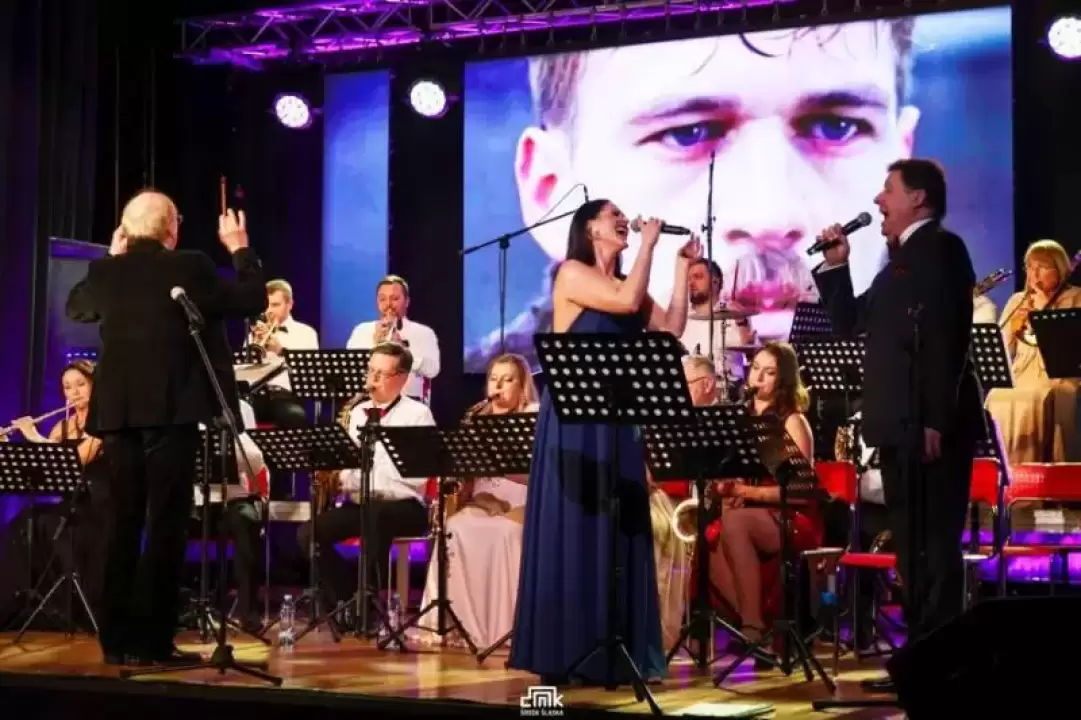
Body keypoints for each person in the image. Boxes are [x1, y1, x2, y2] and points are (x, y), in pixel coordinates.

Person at [467, 18, 929, 372]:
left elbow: (664, 323)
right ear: (551, 190)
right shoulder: (506, 382)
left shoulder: (940, 376)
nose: (771, 217)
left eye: (837, 127)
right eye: (686, 133)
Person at [65, 190, 265, 666]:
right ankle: (153, 642)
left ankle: (117, 642)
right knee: (165, 526)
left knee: (122, 524)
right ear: (172, 228)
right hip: (172, 413)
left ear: (126, 231)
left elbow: (77, 307)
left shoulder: (106, 272)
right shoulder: (190, 266)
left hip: (117, 417)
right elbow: (250, 298)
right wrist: (239, 248)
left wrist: (110, 258)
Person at [508, 199, 701, 686]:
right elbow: (626, 303)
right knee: (578, 527)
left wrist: (680, 270)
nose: (623, 219)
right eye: (612, 213)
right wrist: (650, 245)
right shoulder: (572, 273)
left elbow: (670, 329)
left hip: (618, 420)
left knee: (622, 530)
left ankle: (619, 651)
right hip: (576, 422)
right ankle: (570, 650)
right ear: (590, 228)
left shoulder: (626, 282)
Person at [812, 159, 982, 689]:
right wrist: (836, 267)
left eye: (888, 190)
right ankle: (921, 662)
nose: (878, 201)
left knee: (935, 547)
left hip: (928, 427)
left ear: (918, 198)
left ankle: (943, 666)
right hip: (895, 426)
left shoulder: (943, 250)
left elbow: (948, 338)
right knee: (910, 549)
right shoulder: (898, 263)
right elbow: (850, 321)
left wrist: (935, 417)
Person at [296, 342, 432, 633]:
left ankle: (369, 608)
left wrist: (361, 478)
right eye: (370, 371)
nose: (372, 380)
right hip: (362, 503)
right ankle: (349, 599)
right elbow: (347, 465)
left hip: (404, 506)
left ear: (402, 378)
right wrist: (339, 477)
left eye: (381, 374)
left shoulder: (417, 415)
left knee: (376, 517)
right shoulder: (357, 412)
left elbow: (417, 477)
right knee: (308, 534)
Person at [410, 353, 538, 649]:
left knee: (505, 534)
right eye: (494, 379)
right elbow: (470, 479)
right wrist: (477, 497)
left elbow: (540, 475)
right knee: (453, 529)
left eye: (508, 380)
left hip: (525, 503)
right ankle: (453, 626)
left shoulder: (534, 415)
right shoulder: (478, 417)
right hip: (484, 502)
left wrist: (512, 499)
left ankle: (503, 629)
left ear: (522, 386)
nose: (498, 386)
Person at [704, 343, 822, 647]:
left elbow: (800, 492)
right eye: (755, 368)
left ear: (783, 380)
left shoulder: (793, 421)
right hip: (752, 514)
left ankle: (753, 629)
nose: (758, 377)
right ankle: (760, 625)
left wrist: (746, 492)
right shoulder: (739, 417)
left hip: (792, 517)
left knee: (734, 523)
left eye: (769, 372)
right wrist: (724, 488)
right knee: (710, 540)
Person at [0, 361, 112, 623]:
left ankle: (79, 605)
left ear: (95, 386)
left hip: (101, 507)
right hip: (72, 504)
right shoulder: (62, 426)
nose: (74, 392)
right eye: (67, 387)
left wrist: (34, 436)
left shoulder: (104, 423)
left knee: (53, 524)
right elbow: (45, 466)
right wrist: (7, 445)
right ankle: (25, 602)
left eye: (81, 385)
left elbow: (77, 458)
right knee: (25, 521)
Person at [986, 239, 1081, 463]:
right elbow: (1001, 349)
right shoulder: (1017, 300)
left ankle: (1048, 471)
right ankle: (1007, 471)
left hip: (1060, 374)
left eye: (1042, 267)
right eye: (1029, 267)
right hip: (1022, 372)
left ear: (1059, 269)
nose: (1033, 274)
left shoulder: (1076, 297)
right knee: (996, 396)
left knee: (1046, 394)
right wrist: (1013, 329)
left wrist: (1042, 313)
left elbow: (1069, 348)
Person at [346, 276, 441, 404]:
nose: (388, 305)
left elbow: (433, 370)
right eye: (382, 299)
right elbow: (351, 369)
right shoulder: (362, 330)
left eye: (395, 299)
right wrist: (375, 345)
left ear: (407, 302)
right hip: (367, 402)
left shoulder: (423, 333)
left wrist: (403, 352)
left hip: (409, 404)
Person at [247, 278, 319, 428]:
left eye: (275, 305)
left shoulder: (306, 333)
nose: (269, 311)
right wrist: (253, 345)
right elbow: (244, 372)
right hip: (255, 396)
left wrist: (282, 351)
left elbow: (308, 372)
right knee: (232, 414)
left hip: (286, 397)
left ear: (290, 304)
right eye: (266, 305)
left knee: (293, 416)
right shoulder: (255, 333)